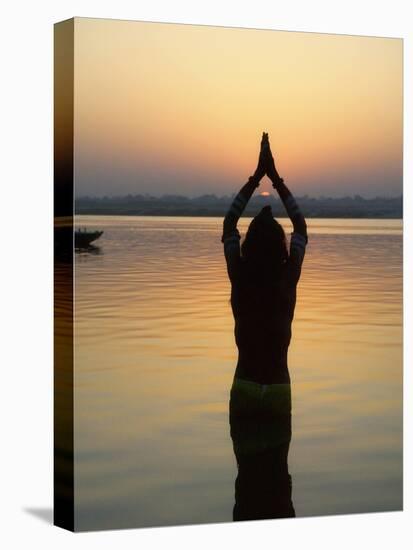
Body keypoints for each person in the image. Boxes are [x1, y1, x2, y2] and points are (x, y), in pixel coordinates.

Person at [222, 132, 308, 521]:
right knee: (278, 485)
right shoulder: (286, 279)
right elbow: (303, 230)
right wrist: (276, 177)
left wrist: (256, 177)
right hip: (276, 389)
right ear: (280, 248)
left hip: (244, 387)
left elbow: (227, 226)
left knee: (246, 486)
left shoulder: (239, 276)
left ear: (248, 246)